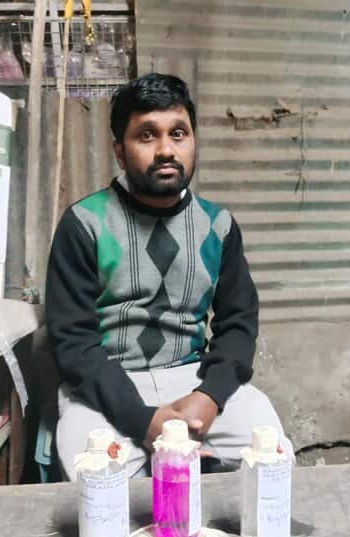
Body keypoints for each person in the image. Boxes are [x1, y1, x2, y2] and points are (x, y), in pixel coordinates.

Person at [46, 72, 292, 480]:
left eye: (178, 133)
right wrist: (142, 420)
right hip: (108, 384)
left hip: (192, 379)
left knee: (274, 462)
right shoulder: (84, 224)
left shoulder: (218, 225)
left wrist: (210, 396)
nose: (166, 150)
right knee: (94, 484)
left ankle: (196, 490)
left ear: (193, 142)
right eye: (146, 136)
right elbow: (74, 341)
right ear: (120, 153)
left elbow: (238, 325)